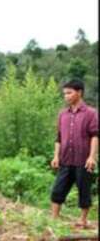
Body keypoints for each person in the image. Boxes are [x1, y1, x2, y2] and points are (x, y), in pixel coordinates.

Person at [50, 79, 99, 229]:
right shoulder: (62, 114)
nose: (66, 96)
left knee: (84, 190)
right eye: (64, 93)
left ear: (79, 92)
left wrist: (92, 157)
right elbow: (58, 138)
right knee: (58, 189)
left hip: (83, 160)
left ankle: (83, 221)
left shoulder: (91, 113)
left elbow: (95, 135)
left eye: (69, 93)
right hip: (65, 159)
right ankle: (54, 219)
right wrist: (56, 156)